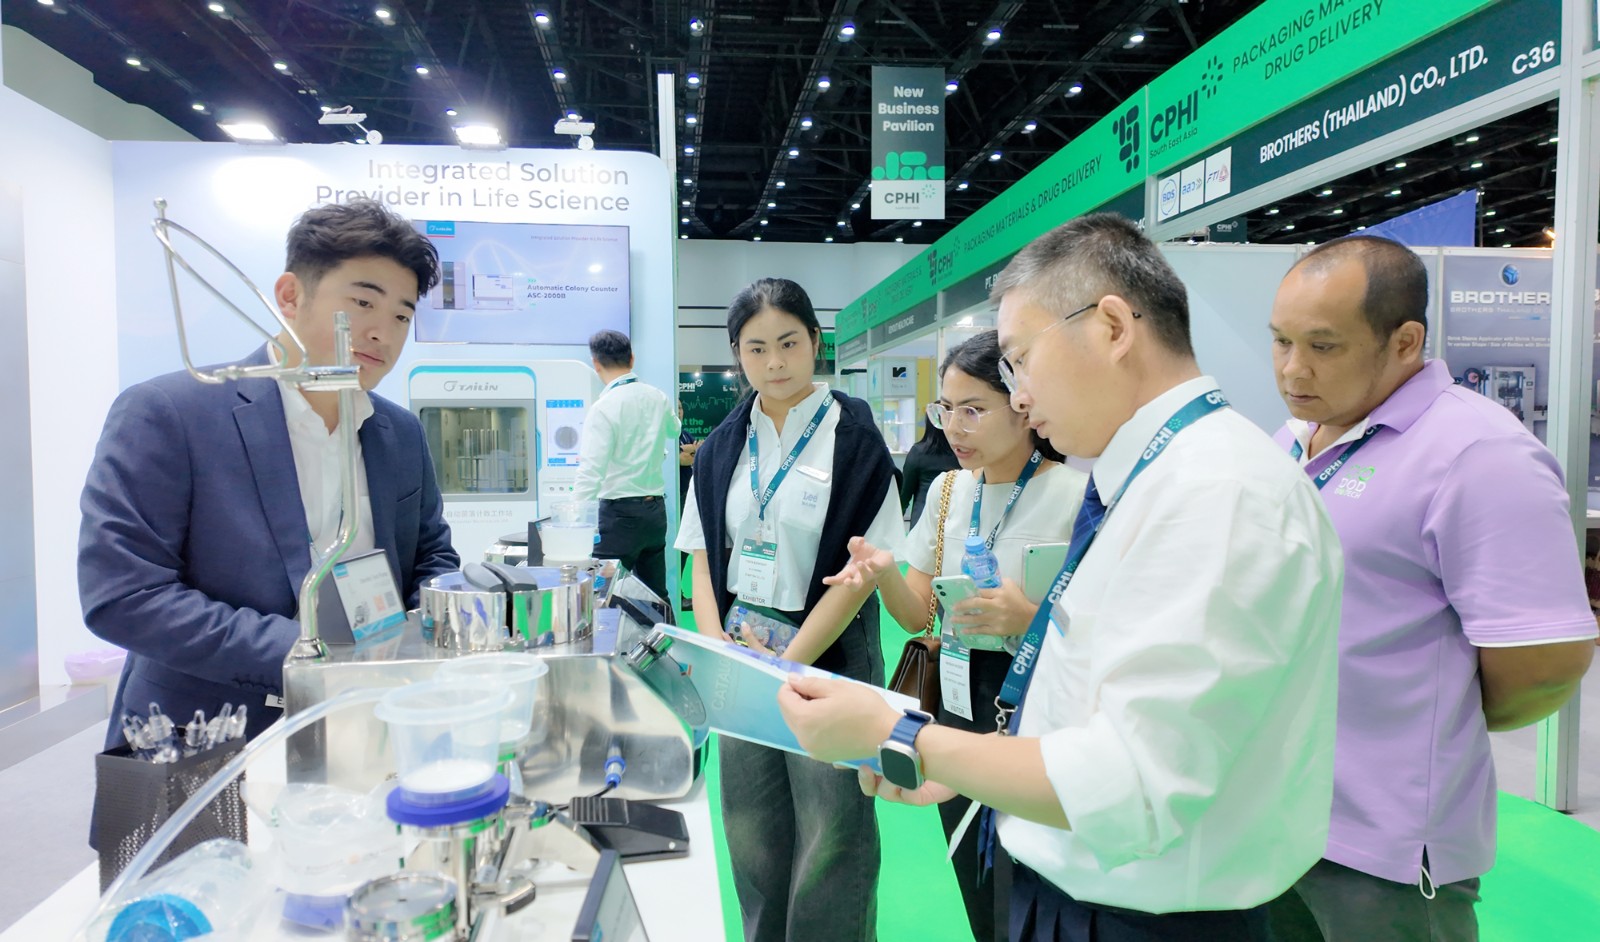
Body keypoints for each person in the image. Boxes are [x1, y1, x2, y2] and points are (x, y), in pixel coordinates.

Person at [779, 213, 1345, 942]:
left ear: (1112, 328)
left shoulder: (1216, 493)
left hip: (1147, 918)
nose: (1018, 396)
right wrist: (972, 765)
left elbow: (1138, 779)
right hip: (1091, 890)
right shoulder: (1151, 478)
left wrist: (907, 737)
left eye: (1020, 360)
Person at [1262, 236, 1597, 942]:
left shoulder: (1477, 454)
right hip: (1274, 817)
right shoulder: (1293, 438)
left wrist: (1422, 725)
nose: (1293, 368)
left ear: (1405, 342)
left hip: (1381, 847)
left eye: (1323, 346)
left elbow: (1545, 663)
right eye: (1282, 341)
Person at [80, 199, 459, 745]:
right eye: (362, 302)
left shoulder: (398, 432)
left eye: (402, 315)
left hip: (369, 720)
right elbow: (124, 596)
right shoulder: (170, 413)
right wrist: (310, 656)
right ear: (290, 296)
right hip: (210, 733)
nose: (383, 332)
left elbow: (431, 557)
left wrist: (421, 641)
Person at [824, 329, 1086, 942]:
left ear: (1022, 407)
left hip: (1035, 705)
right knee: (974, 876)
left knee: (1032, 879)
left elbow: (1099, 631)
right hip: (957, 697)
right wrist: (883, 574)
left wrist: (1027, 618)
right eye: (946, 409)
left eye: (974, 410)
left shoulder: (1074, 495)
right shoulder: (947, 493)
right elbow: (917, 614)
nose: (954, 428)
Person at [675, 276, 904, 942]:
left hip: (828, 653)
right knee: (751, 827)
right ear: (736, 355)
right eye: (756, 349)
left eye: (788, 343)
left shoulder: (854, 436)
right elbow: (701, 556)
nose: (774, 363)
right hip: (742, 650)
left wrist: (787, 664)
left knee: (833, 832)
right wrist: (719, 647)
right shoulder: (723, 443)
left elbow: (860, 576)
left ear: (815, 343)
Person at [571, 329, 681, 601]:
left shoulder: (603, 407)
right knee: (655, 595)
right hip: (654, 512)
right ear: (632, 359)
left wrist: (574, 520)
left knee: (602, 596)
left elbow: (591, 471)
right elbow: (675, 430)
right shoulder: (658, 397)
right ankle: (663, 630)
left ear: (596, 364)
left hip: (619, 515)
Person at [899, 412, 962, 526]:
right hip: (954, 520)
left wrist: (897, 519)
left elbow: (905, 493)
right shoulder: (962, 454)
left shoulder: (918, 452)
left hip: (922, 520)